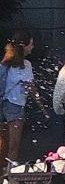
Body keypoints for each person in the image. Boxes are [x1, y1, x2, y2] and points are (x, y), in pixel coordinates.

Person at [0, 29, 35, 171]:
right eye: (30, 44)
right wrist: (42, 107)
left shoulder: (5, 63)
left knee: (2, 143)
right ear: (23, 46)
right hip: (15, 106)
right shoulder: (25, 65)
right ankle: (10, 173)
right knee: (13, 145)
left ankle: (2, 172)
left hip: (2, 105)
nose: (32, 47)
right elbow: (30, 87)